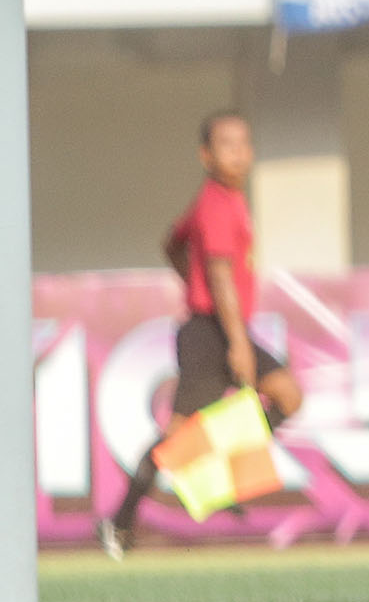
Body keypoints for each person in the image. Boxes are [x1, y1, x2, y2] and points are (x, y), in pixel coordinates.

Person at [103, 112, 306, 556]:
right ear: (206, 155)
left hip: (220, 325)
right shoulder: (216, 203)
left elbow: (172, 242)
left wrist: (188, 278)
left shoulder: (220, 200)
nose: (237, 152)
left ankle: (217, 472)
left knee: (287, 396)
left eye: (243, 142)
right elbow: (219, 276)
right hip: (209, 333)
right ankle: (118, 523)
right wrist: (236, 342)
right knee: (176, 436)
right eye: (226, 144)